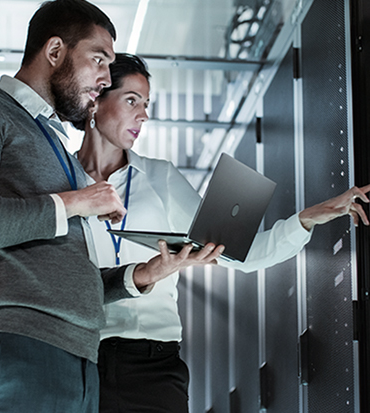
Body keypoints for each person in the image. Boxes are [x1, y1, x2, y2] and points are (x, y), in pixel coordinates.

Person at [0, 2, 224, 413]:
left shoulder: (58, 149)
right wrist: (80, 200)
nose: (104, 78)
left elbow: (69, 278)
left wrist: (144, 275)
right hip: (23, 348)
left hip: (80, 361)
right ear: (54, 52)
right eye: (98, 59)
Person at [75, 53, 370, 413]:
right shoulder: (60, 183)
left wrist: (306, 219)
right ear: (96, 99)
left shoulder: (160, 177)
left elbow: (241, 256)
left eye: (147, 104)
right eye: (132, 100)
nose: (144, 115)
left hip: (153, 365)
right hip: (79, 360)